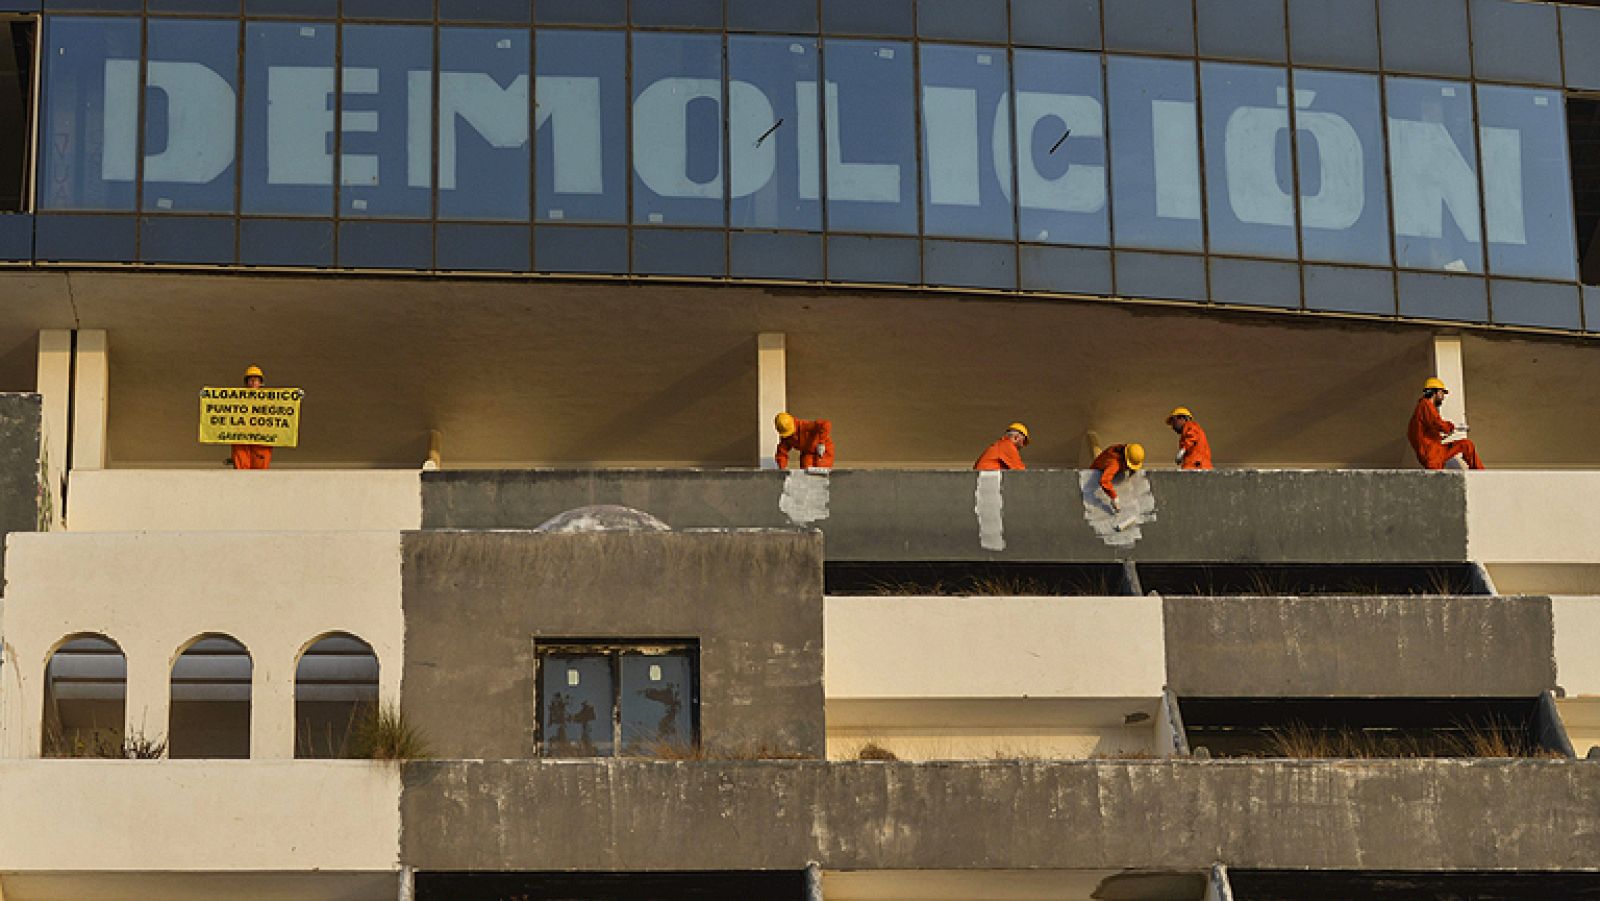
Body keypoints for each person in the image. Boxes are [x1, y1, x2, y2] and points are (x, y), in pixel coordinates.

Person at [1407, 377, 1485, 470]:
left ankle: (1480, 472)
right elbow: (1437, 423)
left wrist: (1440, 437)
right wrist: (1450, 426)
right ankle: (1481, 474)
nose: (1443, 397)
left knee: (1467, 445)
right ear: (1436, 392)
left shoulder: (1422, 408)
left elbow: (1425, 430)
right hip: (1432, 454)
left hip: (1434, 451)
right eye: (1442, 393)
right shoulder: (1425, 404)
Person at [231, 365, 273, 470]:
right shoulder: (237, 399)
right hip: (241, 437)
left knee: (260, 468)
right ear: (247, 383)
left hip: (261, 438)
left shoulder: (270, 400)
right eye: (251, 380)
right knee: (241, 464)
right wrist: (206, 396)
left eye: (256, 380)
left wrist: (296, 397)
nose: (253, 382)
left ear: (261, 383)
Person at [1091, 442, 1145, 512]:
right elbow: (1104, 481)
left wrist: (1132, 469)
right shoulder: (1114, 464)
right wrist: (1114, 497)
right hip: (1096, 473)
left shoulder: (1120, 449)